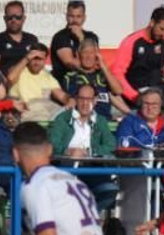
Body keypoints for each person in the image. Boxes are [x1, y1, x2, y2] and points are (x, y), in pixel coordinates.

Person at [48, 84, 119, 212]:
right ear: (75, 99)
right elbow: (52, 144)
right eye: (81, 99)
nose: (85, 103)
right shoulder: (63, 119)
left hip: (92, 165)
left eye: (89, 99)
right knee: (65, 197)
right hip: (66, 166)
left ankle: (88, 217)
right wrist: (67, 151)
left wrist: (89, 152)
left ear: (95, 101)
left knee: (109, 190)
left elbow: (111, 145)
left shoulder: (100, 121)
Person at [112, 7, 164, 106]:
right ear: (152, 23)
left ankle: (158, 100)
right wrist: (134, 96)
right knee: (153, 81)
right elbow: (117, 73)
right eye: (161, 29)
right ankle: (153, 101)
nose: (163, 34)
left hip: (158, 89)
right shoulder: (132, 41)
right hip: (136, 89)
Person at [60, 37, 129, 120]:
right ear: (78, 55)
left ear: (97, 55)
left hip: (105, 121)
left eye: (92, 53)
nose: (88, 56)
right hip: (82, 121)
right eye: (85, 52)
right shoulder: (71, 77)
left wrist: (102, 65)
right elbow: (70, 100)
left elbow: (118, 91)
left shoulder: (104, 76)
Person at [9, 45, 67, 124]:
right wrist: (26, 58)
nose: (36, 62)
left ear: (45, 60)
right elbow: (10, 79)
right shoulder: (19, 71)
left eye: (40, 59)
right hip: (22, 118)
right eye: (33, 58)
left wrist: (70, 100)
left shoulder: (48, 77)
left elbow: (61, 95)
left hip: (43, 118)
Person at [0, 1, 40, 85]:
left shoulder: (32, 39)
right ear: (5, 19)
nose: (13, 20)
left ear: (24, 18)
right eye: (10, 17)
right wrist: (6, 82)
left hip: (30, 84)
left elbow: (38, 64)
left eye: (18, 17)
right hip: (6, 85)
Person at [49, 0, 98, 81]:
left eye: (78, 16)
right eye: (71, 16)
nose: (75, 20)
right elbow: (70, 63)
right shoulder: (61, 37)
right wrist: (90, 64)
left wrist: (81, 38)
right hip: (66, 82)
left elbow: (98, 61)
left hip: (90, 81)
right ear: (66, 16)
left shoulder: (92, 37)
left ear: (84, 18)